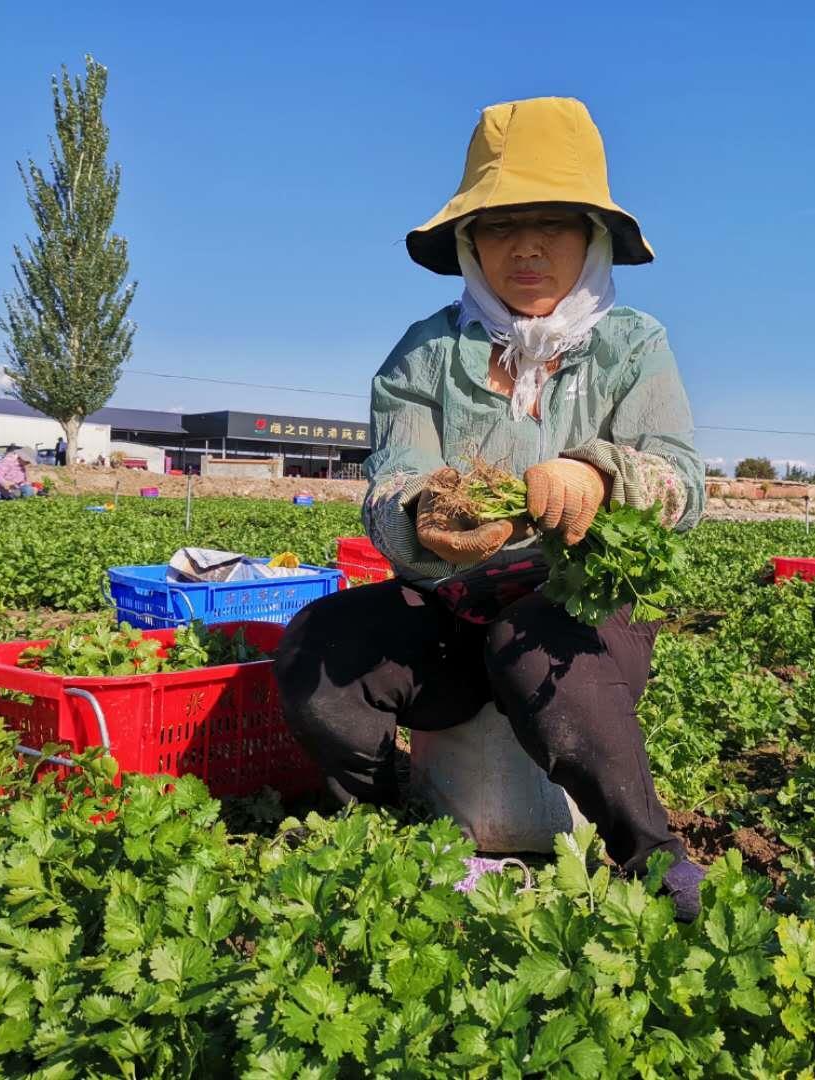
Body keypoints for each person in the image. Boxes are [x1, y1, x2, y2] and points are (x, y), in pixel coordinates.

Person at [276, 97, 708, 919]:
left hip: (578, 616)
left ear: (594, 239)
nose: (529, 248)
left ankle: (658, 862)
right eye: (502, 226)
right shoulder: (426, 353)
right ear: (470, 242)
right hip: (449, 605)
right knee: (319, 646)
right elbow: (392, 480)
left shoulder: (633, 347)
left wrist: (600, 477)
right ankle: (386, 829)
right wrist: (422, 514)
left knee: (530, 638)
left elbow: (684, 480)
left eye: (554, 224)